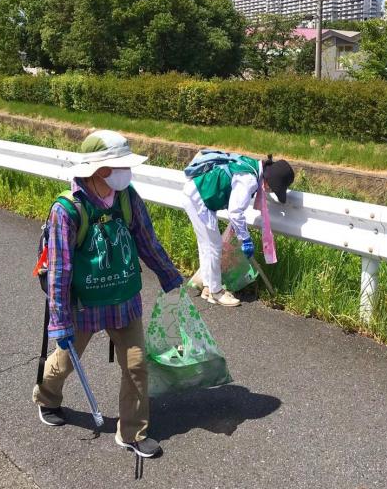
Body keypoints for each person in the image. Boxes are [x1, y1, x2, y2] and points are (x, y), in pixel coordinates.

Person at [32, 130, 183, 459]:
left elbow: (147, 240)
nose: (126, 173)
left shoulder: (128, 198)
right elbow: (60, 270)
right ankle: (47, 397)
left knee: (137, 366)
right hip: (83, 303)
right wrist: (59, 320)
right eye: (120, 166)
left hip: (123, 297)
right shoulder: (67, 209)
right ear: (99, 170)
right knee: (65, 360)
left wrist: (169, 276)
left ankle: (132, 433)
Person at [182, 151, 294, 307]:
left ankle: (208, 287)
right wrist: (245, 239)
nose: (270, 191)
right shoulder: (249, 179)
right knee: (214, 246)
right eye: (273, 188)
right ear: (270, 182)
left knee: (207, 245)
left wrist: (243, 235)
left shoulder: (251, 166)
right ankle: (216, 292)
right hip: (199, 199)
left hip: (196, 194)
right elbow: (235, 212)